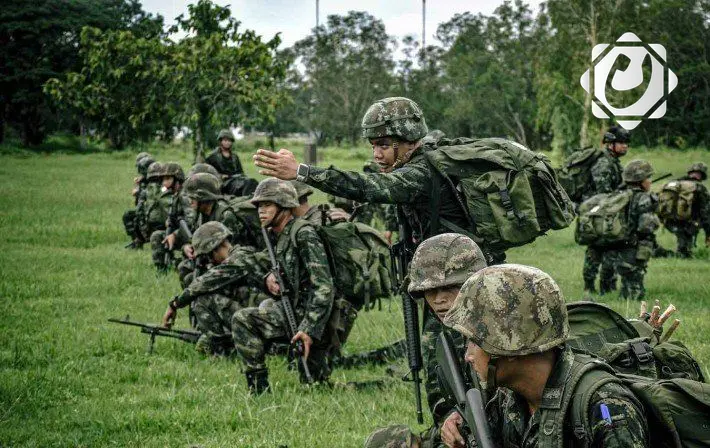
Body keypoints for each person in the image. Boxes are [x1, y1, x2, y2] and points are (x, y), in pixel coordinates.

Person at [443, 264, 649, 448]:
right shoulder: (507, 397)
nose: (468, 356)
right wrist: (457, 430)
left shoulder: (606, 407)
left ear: (509, 346)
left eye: (475, 342)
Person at [364, 233, 487, 448]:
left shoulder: (503, 328)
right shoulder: (441, 330)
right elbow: (441, 398)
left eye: (449, 287)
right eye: (429, 291)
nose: (438, 299)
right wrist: (450, 418)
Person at [230, 178, 335, 393]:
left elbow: (324, 286)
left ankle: (259, 392)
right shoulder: (278, 235)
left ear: (284, 206)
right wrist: (269, 277)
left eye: (267, 205)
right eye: (259, 205)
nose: (261, 211)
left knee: (317, 387)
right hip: (294, 311)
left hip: (310, 318)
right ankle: (259, 388)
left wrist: (308, 329)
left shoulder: (303, 234)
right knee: (251, 314)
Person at [162, 221, 268, 354]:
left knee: (202, 300)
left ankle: (222, 350)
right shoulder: (245, 253)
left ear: (216, 247)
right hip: (260, 316)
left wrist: (174, 305)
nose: (210, 260)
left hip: (263, 320)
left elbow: (203, 283)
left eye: (208, 255)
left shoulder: (238, 259)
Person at [172, 172, 260, 286]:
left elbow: (230, 253)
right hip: (214, 258)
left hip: (238, 263)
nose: (190, 201)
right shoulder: (200, 215)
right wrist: (187, 247)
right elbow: (195, 237)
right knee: (184, 268)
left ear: (203, 197)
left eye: (193, 197)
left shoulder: (225, 216)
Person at [582, 126, 630, 296]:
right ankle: (590, 286)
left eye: (626, 143)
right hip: (598, 214)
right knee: (596, 250)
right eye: (621, 143)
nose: (625, 146)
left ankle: (606, 287)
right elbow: (603, 194)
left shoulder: (613, 162)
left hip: (605, 213)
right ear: (610, 144)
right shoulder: (603, 163)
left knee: (610, 250)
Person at [607, 160, 660, 300]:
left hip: (619, 243)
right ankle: (632, 306)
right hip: (636, 245)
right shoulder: (644, 197)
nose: (650, 181)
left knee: (626, 277)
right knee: (635, 282)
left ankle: (623, 300)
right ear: (640, 180)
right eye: (648, 178)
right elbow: (646, 226)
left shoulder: (619, 195)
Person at [662, 162, 710, 257]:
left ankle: (681, 251)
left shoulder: (674, 183)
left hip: (669, 220)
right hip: (689, 224)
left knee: (683, 239)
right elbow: (705, 212)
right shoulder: (699, 188)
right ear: (702, 175)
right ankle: (682, 253)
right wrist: (708, 232)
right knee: (685, 246)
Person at [148, 162, 188, 273]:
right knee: (157, 236)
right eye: (163, 179)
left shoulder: (185, 196)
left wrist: (174, 234)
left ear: (177, 179)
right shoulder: (175, 195)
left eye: (168, 178)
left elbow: (190, 223)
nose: (164, 182)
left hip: (190, 235)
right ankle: (162, 270)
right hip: (180, 232)